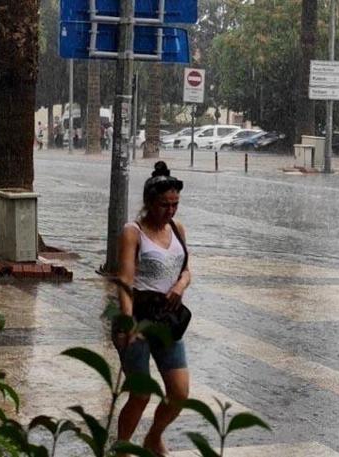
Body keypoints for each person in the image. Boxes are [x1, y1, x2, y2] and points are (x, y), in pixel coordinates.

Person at [115, 161, 190, 456]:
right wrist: (127, 322)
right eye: (164, 205)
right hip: (139, 317)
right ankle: (122, 448)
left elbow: (186, 269)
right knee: (141, 393)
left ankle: (153, 437)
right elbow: (125, 279)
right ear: (149, 203)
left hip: (169, 319)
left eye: (175, 204)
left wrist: (180, 286)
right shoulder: (133, 232)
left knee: (179, 392)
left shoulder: (177, 228)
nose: (170, 211)